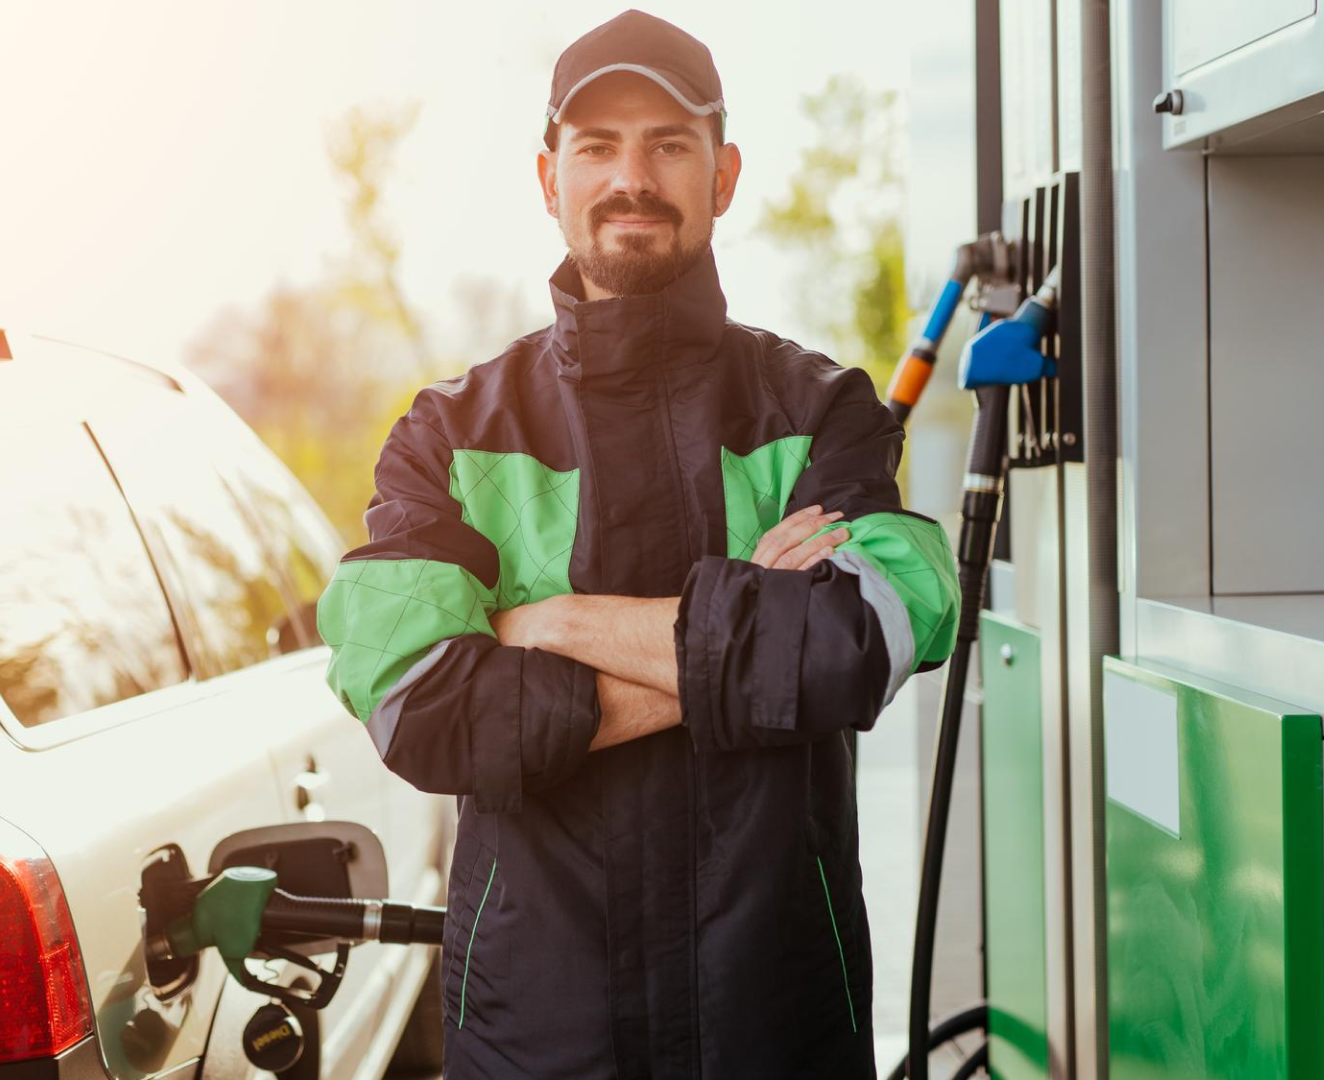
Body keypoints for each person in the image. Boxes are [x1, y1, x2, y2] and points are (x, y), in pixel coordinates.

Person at [316, 10, 958, 1078]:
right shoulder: (455, 434)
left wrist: (549, 628)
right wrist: (754, 639)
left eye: (669, 143)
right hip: (536, 1040)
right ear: (548, 175)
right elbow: (421, 705)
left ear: (724, 174)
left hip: (778, 1029)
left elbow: (856, 645)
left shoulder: (823, 410)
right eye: (598, 146)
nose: (633, 177)